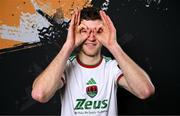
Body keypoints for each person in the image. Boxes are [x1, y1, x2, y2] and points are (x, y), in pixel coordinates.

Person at [31, 7, 155, 116]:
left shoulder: (111, 67)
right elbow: (40, 94)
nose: (91, 37)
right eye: (84, 30)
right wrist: (68, 46)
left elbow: (145, 91)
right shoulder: (65, 67)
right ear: (75, 32)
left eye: (98, 31)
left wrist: (113, 46)